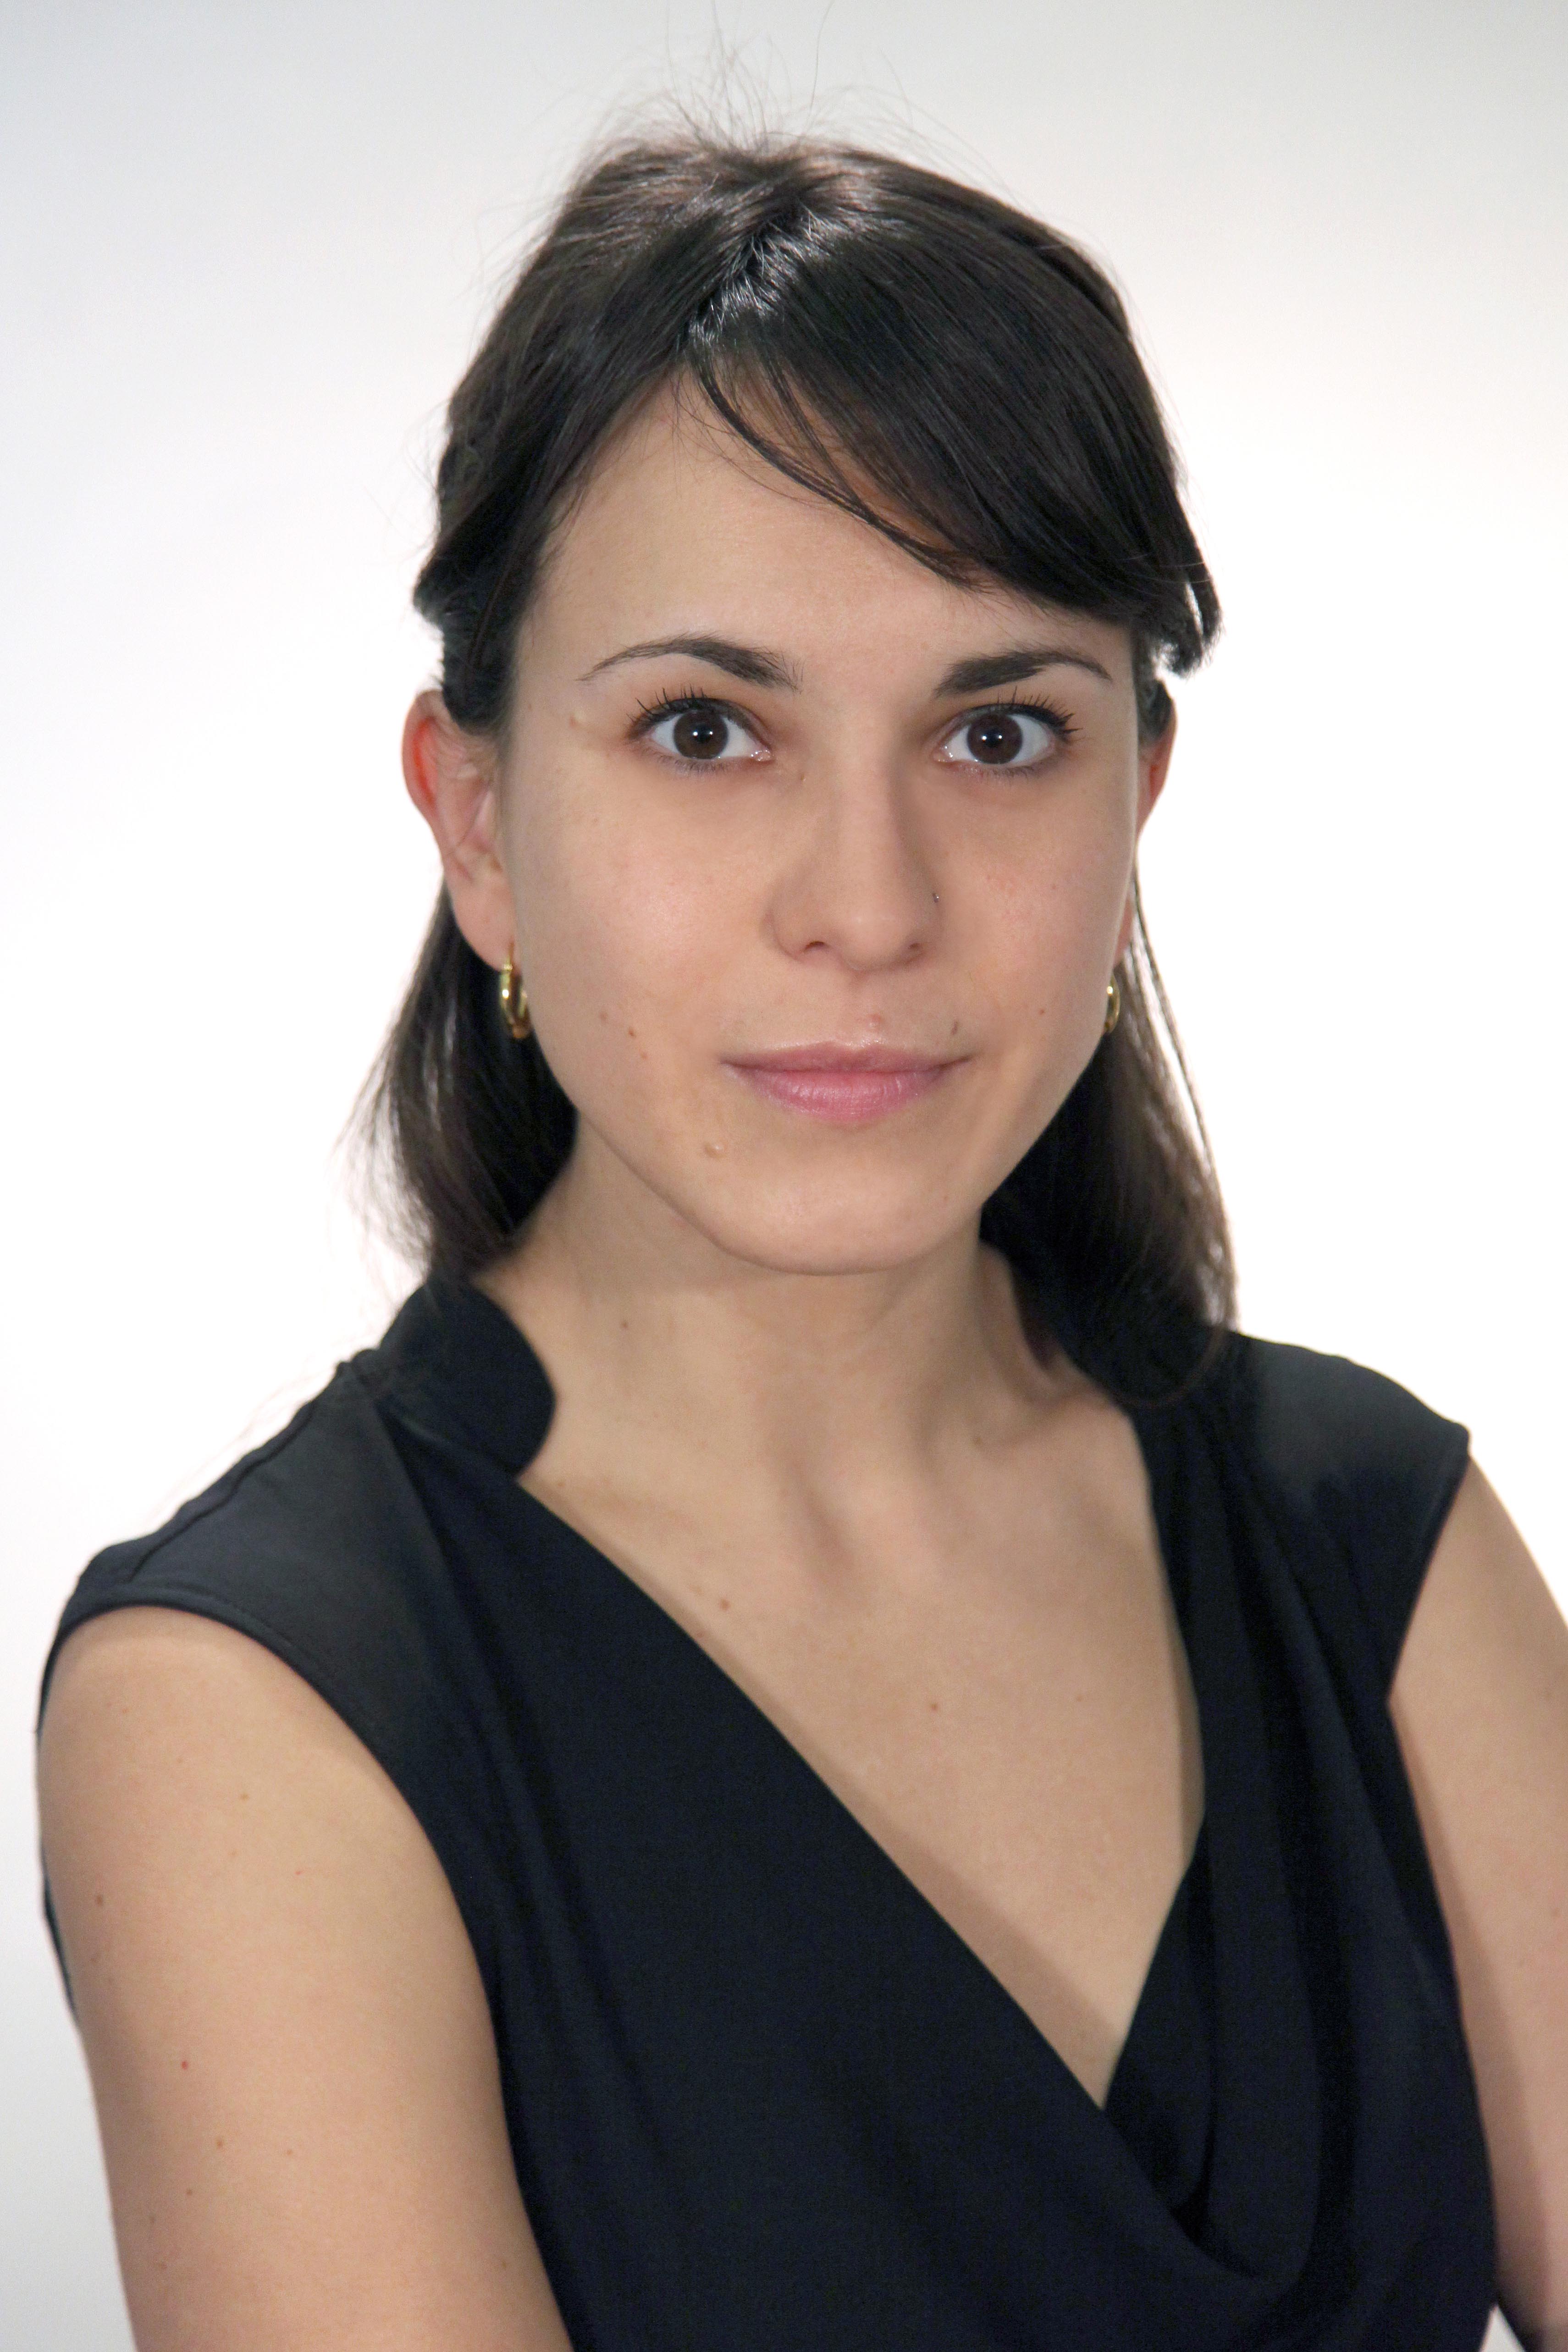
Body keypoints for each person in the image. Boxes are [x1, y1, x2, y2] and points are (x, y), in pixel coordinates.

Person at [34, 131, 1568, 2352]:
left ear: (1134, 805)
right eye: (705, 727)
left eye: (1001, 729)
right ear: (476, 824)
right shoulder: (253, 1703)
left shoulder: (1375, 1541)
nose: (868, 899)